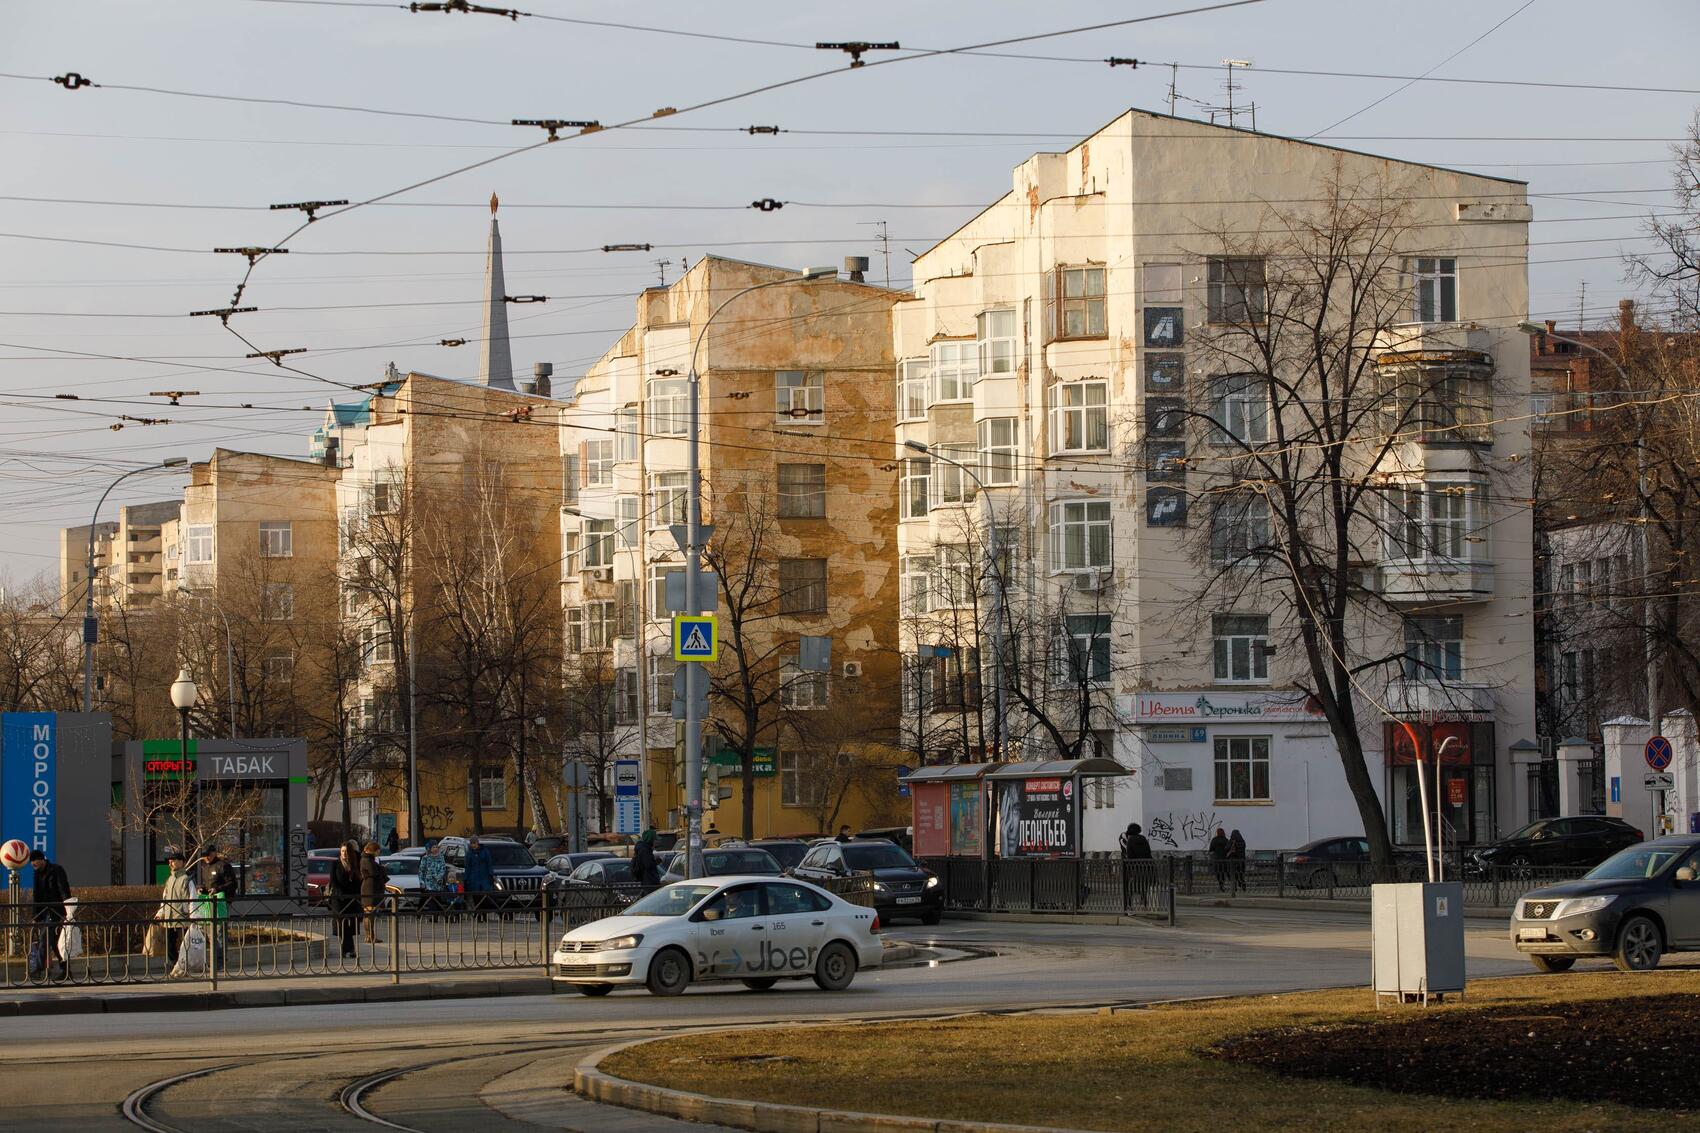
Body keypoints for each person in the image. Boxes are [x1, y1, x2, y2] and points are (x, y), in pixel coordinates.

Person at [29, 848, 71, 978]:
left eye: (35, 860)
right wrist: (36, 916)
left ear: (42, 860)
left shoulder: (56, 870)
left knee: (44, 938)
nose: (33, 863)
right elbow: (37, 895)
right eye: (31, 861)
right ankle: (66, 970)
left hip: (55, 910)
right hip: (44, 912)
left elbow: (64, 889)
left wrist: (67, 909)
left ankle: (38, 969)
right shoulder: (37, 873)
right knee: (54, 942)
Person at [156, 847, 198, 971]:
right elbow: (165, 899)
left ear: (181, 861)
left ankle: (183, 965)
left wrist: (193, 916)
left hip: (183, 918)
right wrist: (160, 913)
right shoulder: (170, 879)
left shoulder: (187, 880)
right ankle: (176, 965)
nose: (170, 863)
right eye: (169, 860)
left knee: (185, 945)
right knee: (170, 946)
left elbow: (193, 899)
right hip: (170, 919)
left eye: (173, 860)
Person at [199, 845, 238, 969]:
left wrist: (218, 889)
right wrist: (203, 890)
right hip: (210, 901)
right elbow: (207, 884)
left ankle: (220, 961)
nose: (206, 858)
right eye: (204, 856)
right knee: (211, 931)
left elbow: (233, 883)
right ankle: (214, 959)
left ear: (214, 853)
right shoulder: (205, 867)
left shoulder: (223, 866)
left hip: (222, 901)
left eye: (208, 855)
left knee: (220, 931)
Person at [329, 839, 362, 959]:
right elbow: (333, 881)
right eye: (342, 851)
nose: (344, 854)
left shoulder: (355, 863)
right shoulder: (336, 864)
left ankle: (349, 949)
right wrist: (339, 892)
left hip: (352, 899)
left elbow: (359, 881)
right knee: (342, 925)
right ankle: (347, 950)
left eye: (346, 851)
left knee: (352, 926)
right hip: (339, 899)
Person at [1119, 822, 1153, 911]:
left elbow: (1130, 855)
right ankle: (1145, 905)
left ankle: (1129, 907)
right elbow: (1148, 852)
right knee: (1143, 887)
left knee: (1129, 889)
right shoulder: (1144, 838)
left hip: (1135, 868)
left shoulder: (1131, 840)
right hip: (1147, 867)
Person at [359, 842, 388, 943]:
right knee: (369, 913)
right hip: (370, 889)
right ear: (373, 850)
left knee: (370, 914)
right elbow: (373, 872)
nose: (379, 852)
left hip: (372, 888)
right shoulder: (367, 859)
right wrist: (382, 868)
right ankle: (369, 936)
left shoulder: (368, 859)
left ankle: (371, 936)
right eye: (378, 850)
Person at [462, 835, 495, 920]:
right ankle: (478, 914)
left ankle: (484, 915)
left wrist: (491, 875)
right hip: (473, 879)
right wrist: (466, 879)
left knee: (485, 897)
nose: (473, 845)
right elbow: (468, 867)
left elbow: (489, 864)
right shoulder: (469, 854)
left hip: (484, 878)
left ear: (478, 843)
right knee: (476, 898)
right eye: (472, 843)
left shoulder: (485, 852)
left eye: (474, 843)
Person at [417, 841, 449, 915]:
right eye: (433, 847)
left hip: (438, 883)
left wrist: (439, 876)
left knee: (438, 899)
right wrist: (421, 882)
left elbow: (443, 868)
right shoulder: (425, 858)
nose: (435, 849)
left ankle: (440, 915)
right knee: (431, 899)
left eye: (436, 847)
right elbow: (421, 870)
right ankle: (433, 916)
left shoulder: (441, 857)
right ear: (430, 849)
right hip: (429, 883)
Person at [631, 827, 661, 891]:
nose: (656, 842)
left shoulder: (644, 849)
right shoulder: (645, 850)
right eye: (655, 840)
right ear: (651, 840)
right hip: (649, 882)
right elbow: (648, 865)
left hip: (647, 881)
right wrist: (657, 861)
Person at [1208, 827, 1231, 892]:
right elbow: (1228, 849)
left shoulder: (1214, 840)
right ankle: (1230, 885)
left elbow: (1211, 849)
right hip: (1224, 860)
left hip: (1217, 860)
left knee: (1218, 873)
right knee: (1224, 873)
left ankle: (1221, 885)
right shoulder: (1226, 840)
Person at [1228, 829, 1248, 894]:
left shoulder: (1231, 841)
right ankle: (1242, 885)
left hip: (1234, 861)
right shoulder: (1243, 842)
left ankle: (1235, 887)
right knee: (1241, 874)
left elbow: (1227, 848)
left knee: (1234, 875)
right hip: (1242, 861)